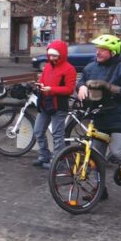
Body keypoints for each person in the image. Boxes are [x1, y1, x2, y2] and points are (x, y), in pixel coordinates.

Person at [76, 34, 121, 198]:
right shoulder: (90, 67)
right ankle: (100, 189)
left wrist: (110, 87)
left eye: (102, 49)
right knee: (95, 156)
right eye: (97, 49)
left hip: (120, 117)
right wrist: (80, 87)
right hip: (100, 117)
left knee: (118, 151)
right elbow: (82, 81)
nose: (97, 52)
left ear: (113, 52)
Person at [32, 40, 77, 169]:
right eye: (50, 55)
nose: (52, 58)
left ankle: (58, 161)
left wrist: (51, 89)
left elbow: (69, 89)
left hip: (59, 105)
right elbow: (43, 80)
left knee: (58, 135)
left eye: (55, 56)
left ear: (61, 55)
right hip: (45, 103)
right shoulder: (47, 66)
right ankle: (44, 156)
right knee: (38, 131)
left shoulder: (69, 69)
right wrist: (40, 85)